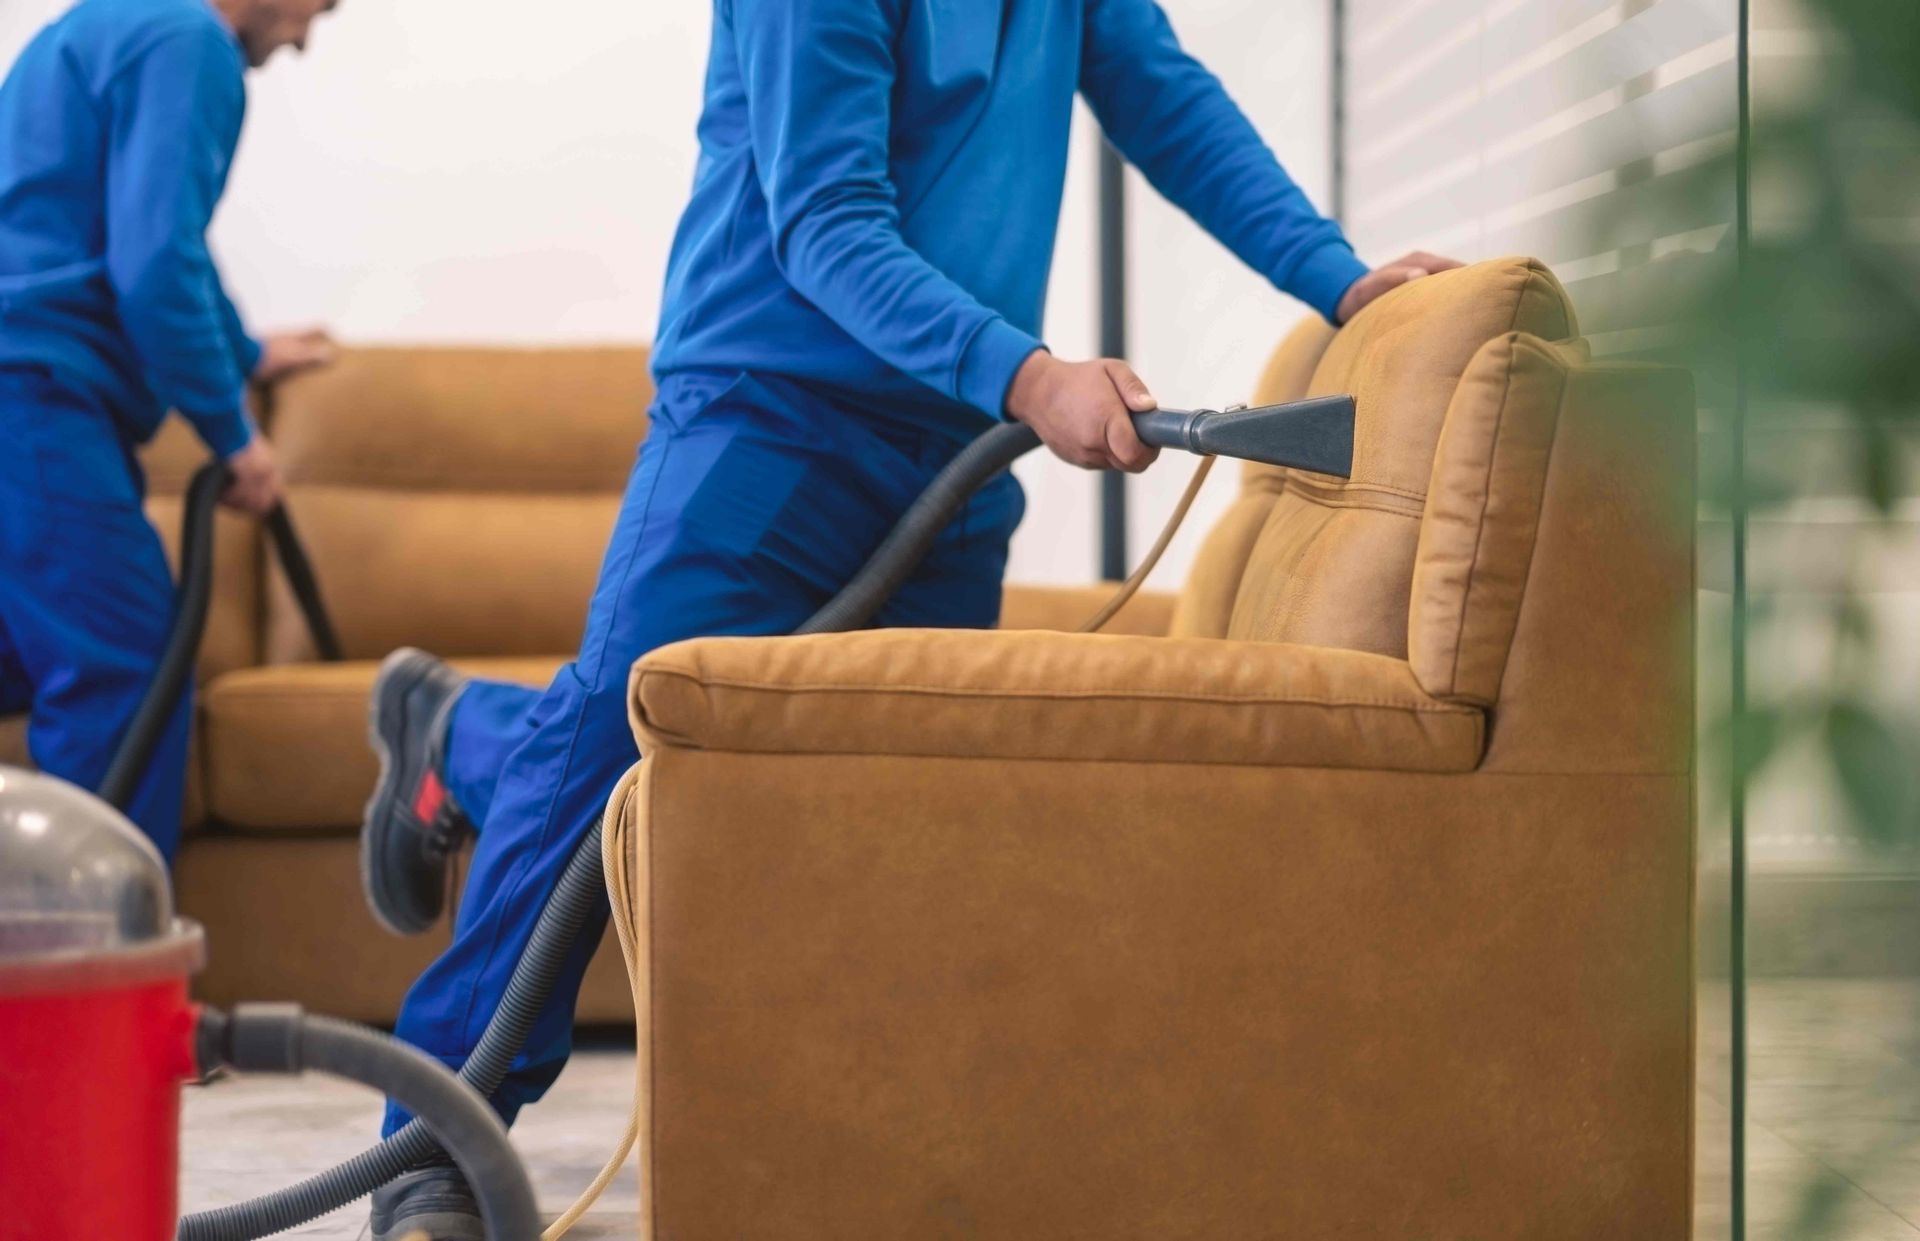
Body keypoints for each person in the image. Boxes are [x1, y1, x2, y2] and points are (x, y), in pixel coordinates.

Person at [357, 1, 1460, 1233]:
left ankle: (452, 728)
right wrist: (1036, 377)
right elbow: (825, 218)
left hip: (950, 440)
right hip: (769, 414)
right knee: (612, 748)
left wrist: (1342, 280)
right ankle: (434, 1150)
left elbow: (1166, 99)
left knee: (887, 798)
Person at [0, 0, 339, 861]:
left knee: (27, 654)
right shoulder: (192, 43)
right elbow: (155, 263)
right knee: (126, 657)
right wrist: (234, 436)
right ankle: (89, 979)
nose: (303, 39)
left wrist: (245, 349)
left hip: (26, 386)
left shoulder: (114, 23)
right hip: (34, 394)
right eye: (320, 9)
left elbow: (151, 235)